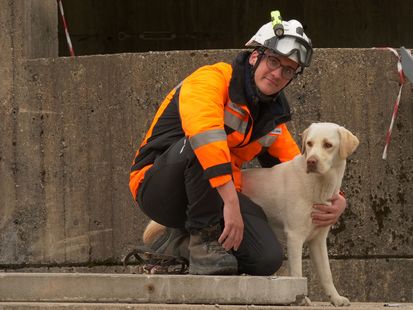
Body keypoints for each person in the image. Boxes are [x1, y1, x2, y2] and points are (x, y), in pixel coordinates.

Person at [129, 12, 347, 276]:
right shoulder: (211, 79)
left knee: (266, 258)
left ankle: (177, 245)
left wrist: (336, 200)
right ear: (255, 56)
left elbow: (298, 164)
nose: (278, 73)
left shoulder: (272, 118)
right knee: (206, 143)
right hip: (157, 186)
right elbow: (204, 135)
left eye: (288, 70)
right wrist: (231, 203)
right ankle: (203, 244)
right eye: (273, 61)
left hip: (214, 197)